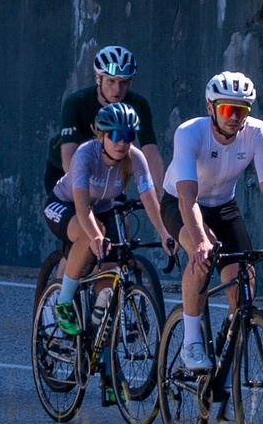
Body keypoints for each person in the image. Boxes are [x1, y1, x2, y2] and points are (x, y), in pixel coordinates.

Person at [168, 71, 263, 372]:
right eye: (227, 109)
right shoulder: (189, 133)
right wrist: (200, 240)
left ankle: (230, 337)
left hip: (224, 206)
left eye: (242, 110)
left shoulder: (258, 133)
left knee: (245, 282)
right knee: (202, 258)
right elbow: (187, 194)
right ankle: (191, 343)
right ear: (210, 108)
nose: (235, 117)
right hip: (180, 203)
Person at [43, 103, 177, 372]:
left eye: (128, 136)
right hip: (65, 205)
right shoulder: (85, 155)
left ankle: (100, 312)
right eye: (115, 136)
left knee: (114, 263)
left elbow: (149, 198)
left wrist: (164, 233)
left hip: (104, 209)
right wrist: (94, 236)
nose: (122, 143)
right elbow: (82, 208)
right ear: (101, 135)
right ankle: (63, 303)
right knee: (89, 236)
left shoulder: (135, 158)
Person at [42, 45, 159, 209]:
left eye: (124, 82)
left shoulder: (137, 105)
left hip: (108, 169)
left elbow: (151, 153)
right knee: (84, 228)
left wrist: (166, 198)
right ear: (98, 77)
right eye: (111, 81)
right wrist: (85, 200)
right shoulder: (76, 102)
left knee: (122, 223)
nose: (117, 89)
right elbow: (69, 157)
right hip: (65, 172)